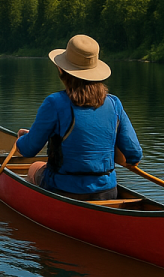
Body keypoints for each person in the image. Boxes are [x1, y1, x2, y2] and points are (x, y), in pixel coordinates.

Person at [15, 35, 142, 201]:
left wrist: (20, 140)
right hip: (107, 192)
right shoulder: (114, 103)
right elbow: (134, 155)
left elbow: (28, 149)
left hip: (64, 190)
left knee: (34, 168)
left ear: (61, 70)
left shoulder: (54, 103)